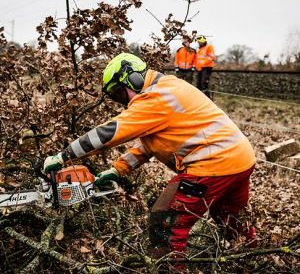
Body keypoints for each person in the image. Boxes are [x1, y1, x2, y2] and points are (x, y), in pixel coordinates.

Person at [43, 53, 256, 271]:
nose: (122, 100)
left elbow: (108, 134)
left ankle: (170, 269)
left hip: (213, 165)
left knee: (165, 221)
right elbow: (148, 145)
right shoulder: (168, 87)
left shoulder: (155, 98)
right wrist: (117, 170)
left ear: (132, 78)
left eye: (119, 92)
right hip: (240, 161)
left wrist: (63, 156)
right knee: (233, 219)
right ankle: (253, 258)